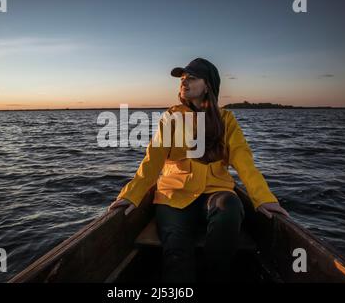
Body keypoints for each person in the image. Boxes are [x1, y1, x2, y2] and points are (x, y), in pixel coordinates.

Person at [109, 58, 289, 282]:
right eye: (182, 79)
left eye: (191, 78)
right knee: (177, 253)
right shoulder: (171, 118)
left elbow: (244, 161)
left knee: (229, 207)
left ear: (208, 86)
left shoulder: (226, 120)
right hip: (173, 197)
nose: (184, 83)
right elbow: (152, 161)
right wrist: (131, 195)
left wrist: (263, 198)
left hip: (215, 192)